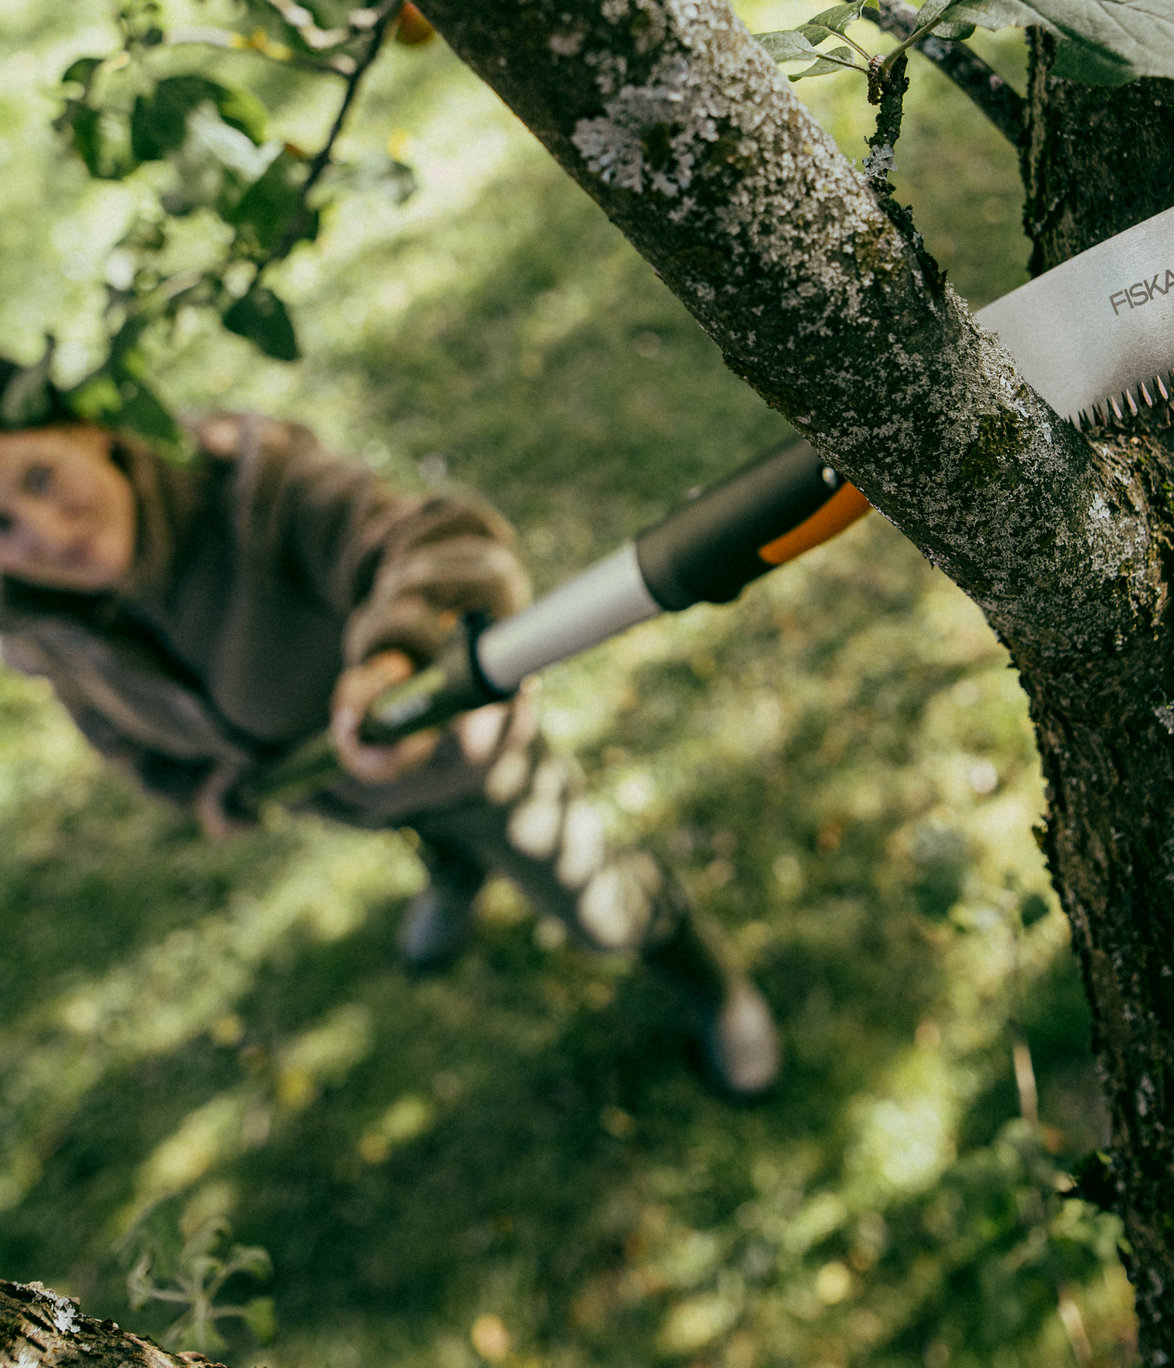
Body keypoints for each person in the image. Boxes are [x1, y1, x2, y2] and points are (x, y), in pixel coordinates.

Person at [0, 361, 779, 1098]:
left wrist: (398, 657)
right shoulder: (41, 626)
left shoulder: (250, 484)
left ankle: (711, 983)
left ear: (92, 430)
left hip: (473, 766)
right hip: (347, 797)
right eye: (1, 525)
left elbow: (441, 541)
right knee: (426, 837)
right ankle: (456, 873)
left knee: (602, 910)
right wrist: (207, 792)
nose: (46, 531)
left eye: (38, 477)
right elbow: (114, 734)